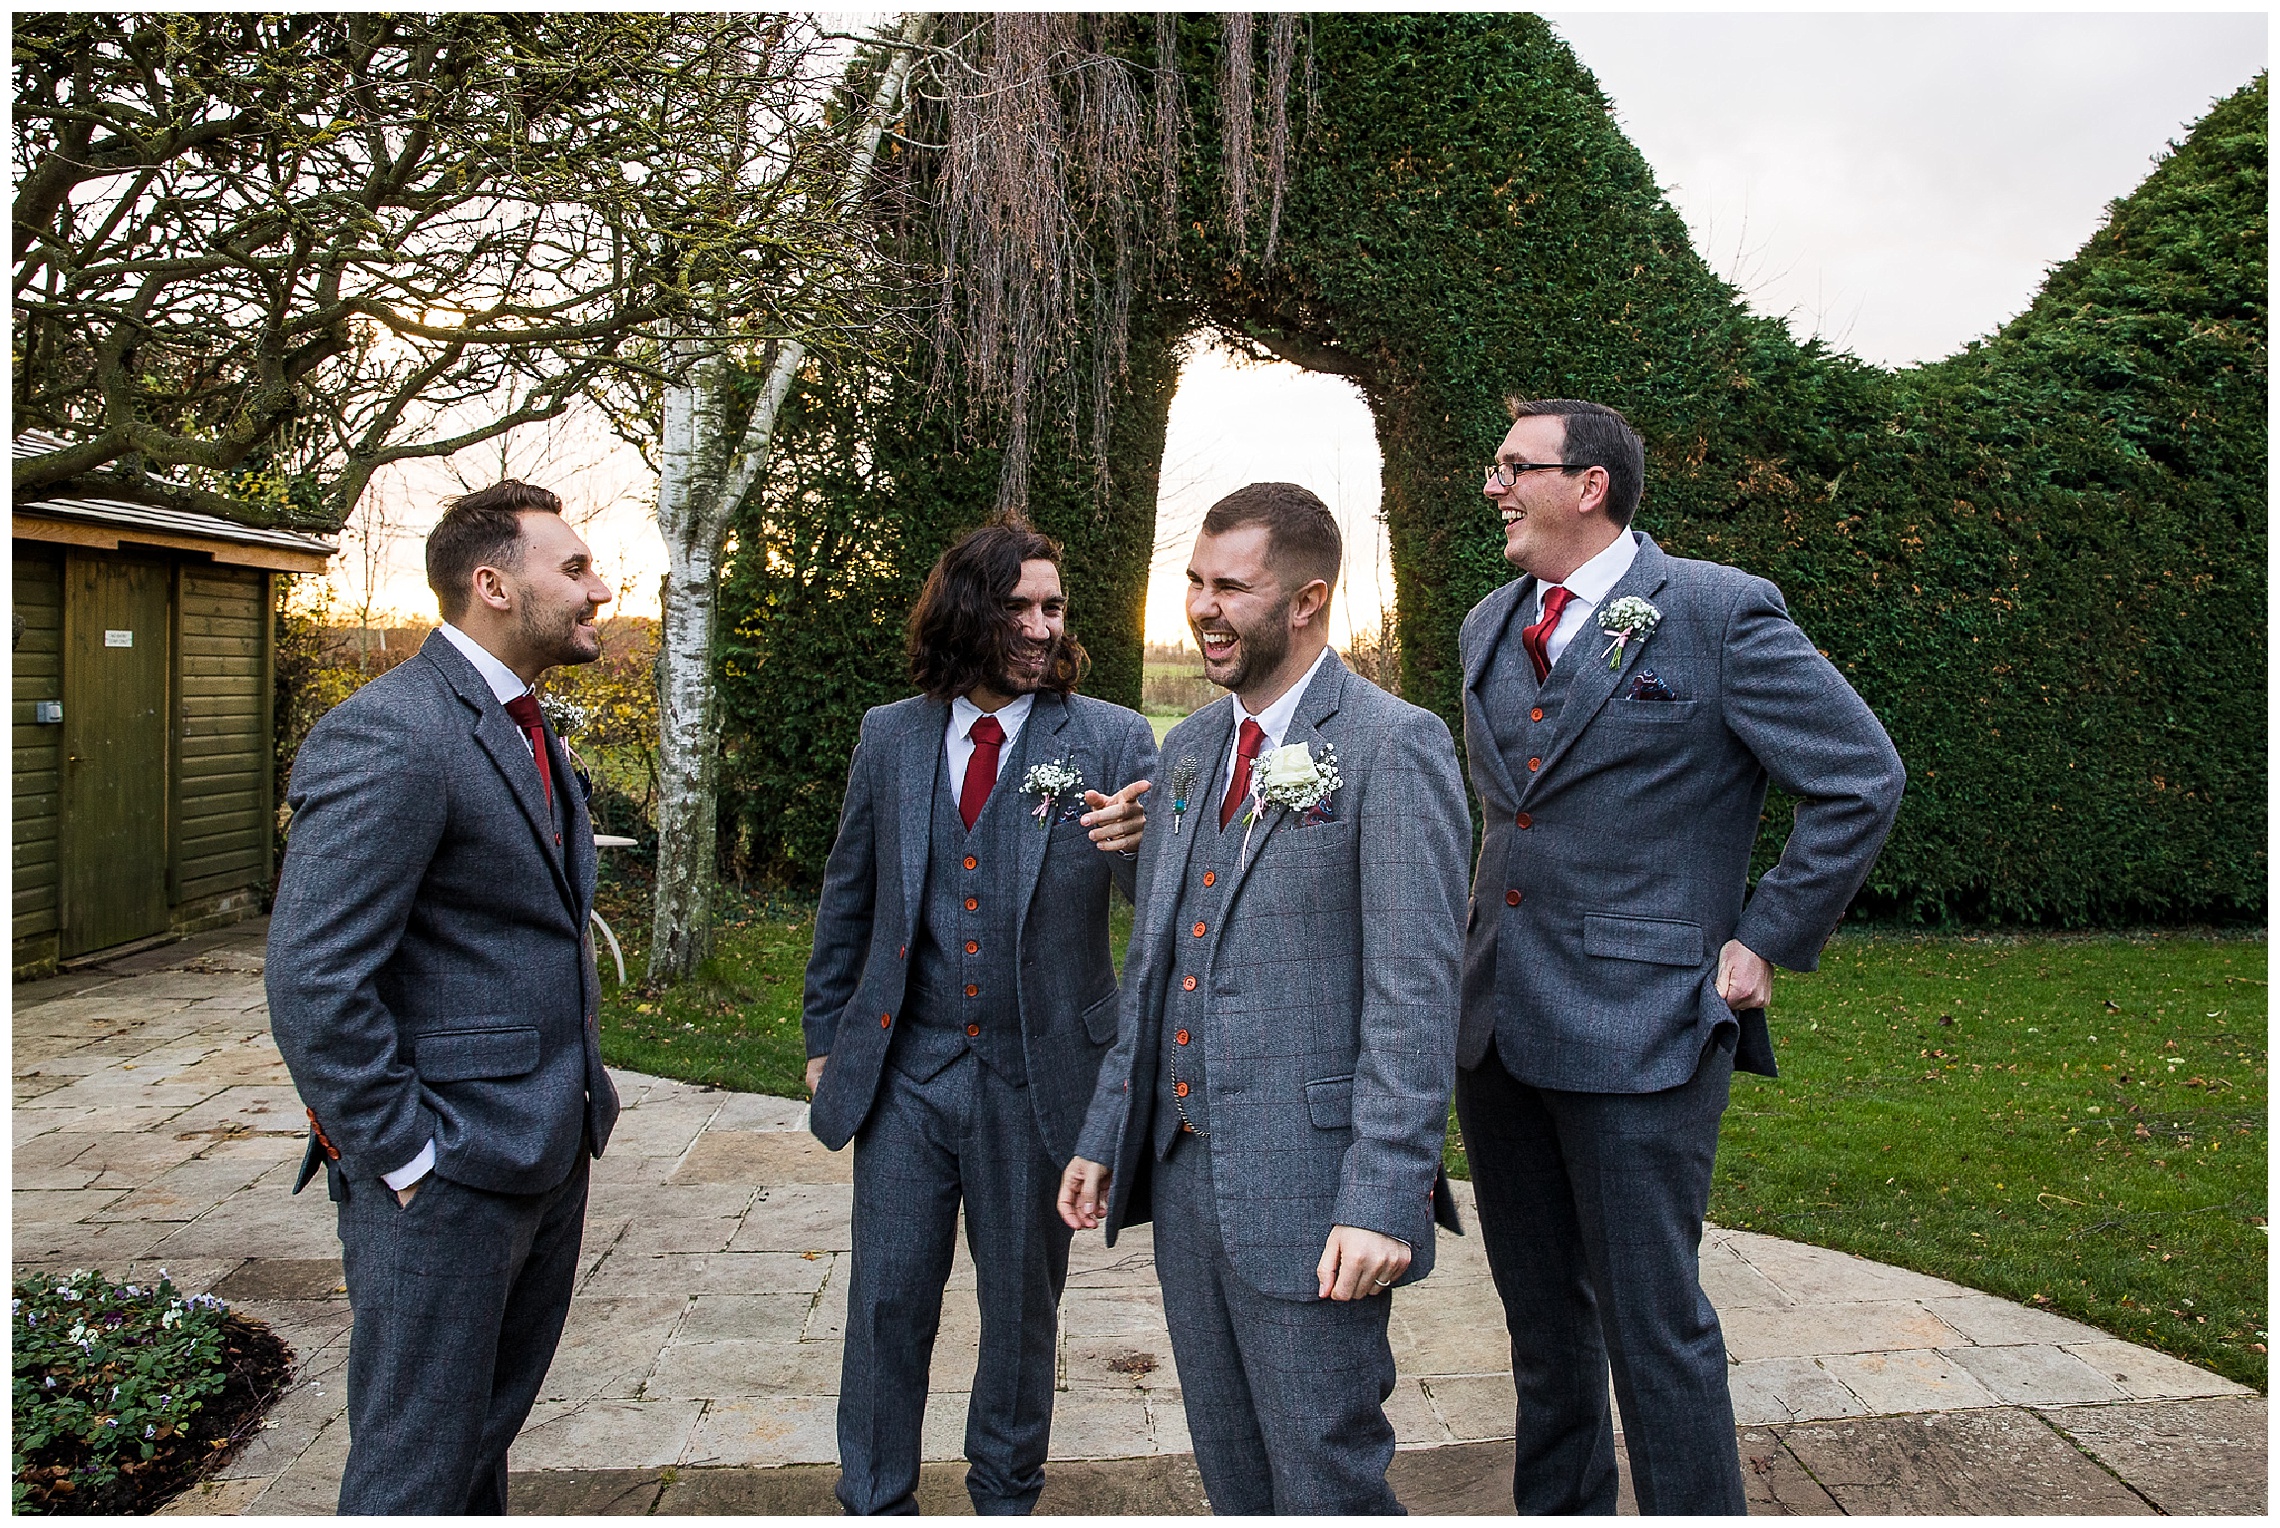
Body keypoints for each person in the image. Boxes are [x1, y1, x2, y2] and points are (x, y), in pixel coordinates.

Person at [1456, 398, 1904, 1514]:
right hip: (1495, 1026)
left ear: (1590, 483)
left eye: (1515, 466)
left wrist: (1765, 934)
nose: (1494, 486)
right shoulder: (1485, 624)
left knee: (1656, 1332)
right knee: (1545, 1335)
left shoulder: (1716, 611)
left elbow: (1861, 776)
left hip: (1645, 1025)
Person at [1060, 483, 1469, 1515]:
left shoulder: (1393, 745)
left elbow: (1415, 996)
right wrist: (1106, 1131)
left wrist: (1386, 1198)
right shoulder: (1191, 750)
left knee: (1325, 1478)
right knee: (1234, 1476)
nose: (1200, 606)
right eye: (1194, 580)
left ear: (1307, 600)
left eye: (1229, 586)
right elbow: (1156, 958)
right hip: (1190, 1179)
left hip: (1316, 1185)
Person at [267, 480, 622, 1513]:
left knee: (477, 1447)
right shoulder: (394, 733)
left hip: (542, 1149)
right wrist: (403, 1153)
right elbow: (314, 973)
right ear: (492, 585)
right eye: (574, 568)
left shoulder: (520, 724)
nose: (598, 588)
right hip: (448, 1172)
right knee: (413, 1468)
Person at [801, 516, 1157, 1515]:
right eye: (1022, 606)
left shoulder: (1111, 736)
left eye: (1055, 607)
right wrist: (827, 1040)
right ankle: (874, 1498)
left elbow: (1162, 899)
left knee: (1019, 1315)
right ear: (967, 610)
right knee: (885, 1302)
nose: (1044, 626)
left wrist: (1134, 845)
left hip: (1036, 1074)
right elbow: (850, 898)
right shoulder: (892, 735)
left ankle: (1005, 1498)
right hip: (908, 1074)